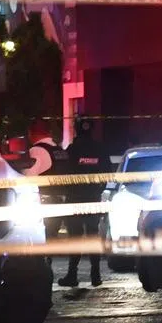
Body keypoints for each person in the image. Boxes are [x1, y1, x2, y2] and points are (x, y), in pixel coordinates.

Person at [61, 119, 113, 288]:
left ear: (76, 130)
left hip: (74, 199)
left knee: (75, 237)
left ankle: (72, 274)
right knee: (92, 234)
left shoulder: (71, 150)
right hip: (92, 198)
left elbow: (64, 174)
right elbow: (108, 174)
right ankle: (95, 275)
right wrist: (97, 190)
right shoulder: (101, 149)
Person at [22, 119, 72, 248]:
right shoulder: (60, 150)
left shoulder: (37, 151)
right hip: (63, 200)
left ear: (31, 133)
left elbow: (28, 178)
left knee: (42, 241)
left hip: (45, 203)